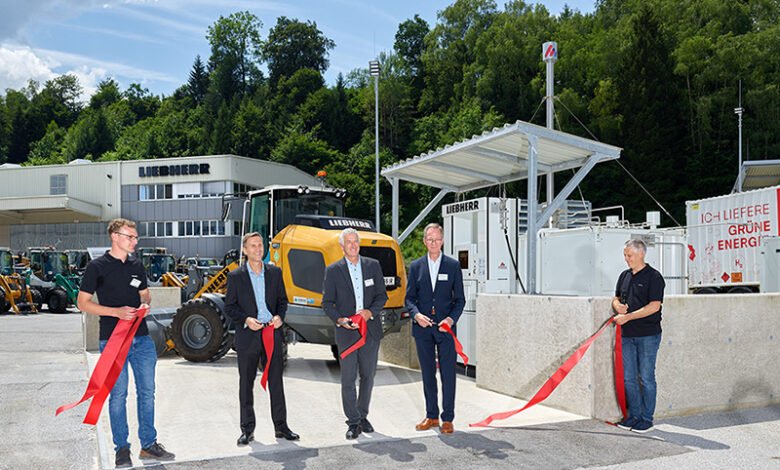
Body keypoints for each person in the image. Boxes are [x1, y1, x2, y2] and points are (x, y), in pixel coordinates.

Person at [77, 218, 175, 468]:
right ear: (115, 236)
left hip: (141, 339)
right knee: (118, 395)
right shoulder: (96, 267)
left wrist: (145, 301)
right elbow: (83, 303)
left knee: (147, 393)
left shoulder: (136, 265)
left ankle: (149, 445)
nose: (134, 241)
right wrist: (116, 312)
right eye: (130, 237)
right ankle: (122, 448)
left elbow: (144, 293)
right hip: (113, 339)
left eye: (135, 237)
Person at [224, 232, 299, 445]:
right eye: (253, 246)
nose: (258, 249)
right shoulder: (236, 277)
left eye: (260, 245)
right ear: (245, 250)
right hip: (248, 336)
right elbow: (230, 307)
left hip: (271, 333)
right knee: (246, 383)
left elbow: (283, 301)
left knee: (276, 381)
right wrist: (246, 319)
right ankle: (247, 429)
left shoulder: (275, 273)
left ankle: (281, 427)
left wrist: (279, 317)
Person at [322, 228, 388, 440]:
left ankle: (363, 415)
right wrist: (340, 319)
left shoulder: (373, 266)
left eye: (355, 242)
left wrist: (370, 312)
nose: (353, 245)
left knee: (368, 376)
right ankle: (352, 421)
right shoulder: (333, 271)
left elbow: (381, 296)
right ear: (342, 247)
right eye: (348, 242)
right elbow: (327, 303)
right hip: (347, 333)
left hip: (370, 330)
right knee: (348, 378)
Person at [405, 223, 465, 434]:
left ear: (443, 240)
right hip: (423, 329)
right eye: (429, 239)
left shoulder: (452, 265)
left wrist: (450, 319)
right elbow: (409, 299)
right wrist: (416, 315)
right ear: (424, 241)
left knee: (448, 374)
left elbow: (460, 300)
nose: (433, 243)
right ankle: (431, 416)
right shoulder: (415, 266)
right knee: (428, 374)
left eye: (437, 239)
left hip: (445, 329)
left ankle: (447, 419)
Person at [612, 239, 665, 433]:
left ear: (641, 254)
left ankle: (646, 419)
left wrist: (629, 316)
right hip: (627, 336)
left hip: (648, 335)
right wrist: (618, 306)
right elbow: (616, 298)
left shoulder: (654, 277)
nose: (626, 259)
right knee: (629, 379)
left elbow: (654, 306)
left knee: (646, 377)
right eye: (625, 255)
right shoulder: (624, 276)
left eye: (630, 255)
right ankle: (633, 416)